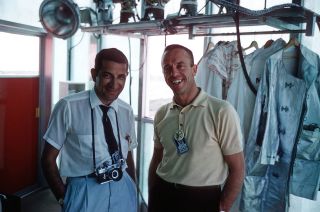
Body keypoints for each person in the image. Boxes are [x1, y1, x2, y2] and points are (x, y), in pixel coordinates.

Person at [148, 44, 245, 212]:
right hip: (163, 196)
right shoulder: (162, 113)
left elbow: (238, 169)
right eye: (167, 68)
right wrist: (152, 196)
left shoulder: (221, 111)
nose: (174, 73)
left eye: (180, 65)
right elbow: (156, 160)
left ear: (194, 69)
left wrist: (222, 207)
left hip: (202, 200)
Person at [41, 48, 138, 212]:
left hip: (123, 188)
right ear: (94, 74)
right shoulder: (68, 107)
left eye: (121, 77)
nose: (115, 84)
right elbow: (47, 159)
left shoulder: (126, 110)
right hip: (85, 190)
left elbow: (128, 154)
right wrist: (64, 198)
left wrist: (132, 188)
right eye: (108, 75)